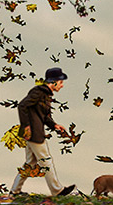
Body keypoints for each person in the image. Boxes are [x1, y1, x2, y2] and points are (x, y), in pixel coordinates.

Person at [10, 66, 76, 196]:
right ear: (54, 82)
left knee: (30, 163)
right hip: (34, 133)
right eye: (61, 82)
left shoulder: (45, 94)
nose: (62, 85)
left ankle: (14, 191)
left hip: (34, 133)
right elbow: (22, 106)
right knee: (46, 161)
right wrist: (26, 126)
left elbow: (43, 115)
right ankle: (57, 191)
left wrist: (54, 125)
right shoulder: (39, 92)